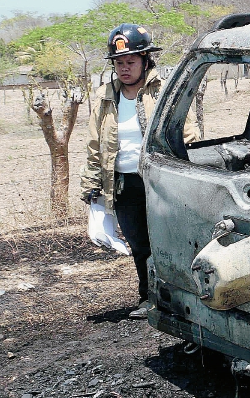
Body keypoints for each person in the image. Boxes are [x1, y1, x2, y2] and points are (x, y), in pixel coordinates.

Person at [81, 24, 193, 318]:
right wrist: (91, 185)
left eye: (131, 61)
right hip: (123, 184)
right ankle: (149, 299)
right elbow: (95, 146)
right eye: (119, 63)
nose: (124, 68)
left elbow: (188, 135)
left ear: (146, 60)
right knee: (139, 244)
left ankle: (184, 298)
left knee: (170, 240)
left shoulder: (164, 91)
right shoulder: (106, 98)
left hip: (160, 182)